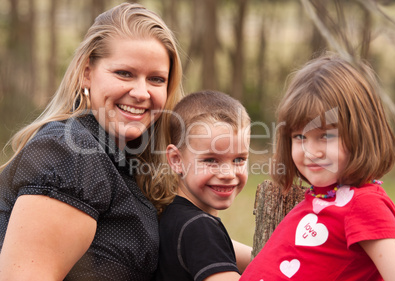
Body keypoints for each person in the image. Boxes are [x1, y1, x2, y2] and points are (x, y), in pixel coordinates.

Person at [0, 3, 183, 280]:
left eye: (156, 79)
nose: (141, 92)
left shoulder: (122, 160)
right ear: (87, 72)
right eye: (124, 73)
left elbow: (185, 238)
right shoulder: (70, 153)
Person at [240, 53, 395, 281]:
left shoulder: (365, 205)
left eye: (325, 136)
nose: (310, 152)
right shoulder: (322, 199)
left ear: (360, 133)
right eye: (299, 137)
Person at [154, 90, 252, 281]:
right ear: (176, 160)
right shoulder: (199, 227)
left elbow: (258, 258)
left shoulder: (175, 216)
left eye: (239, 159)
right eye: (211, 160)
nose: (228, 174)